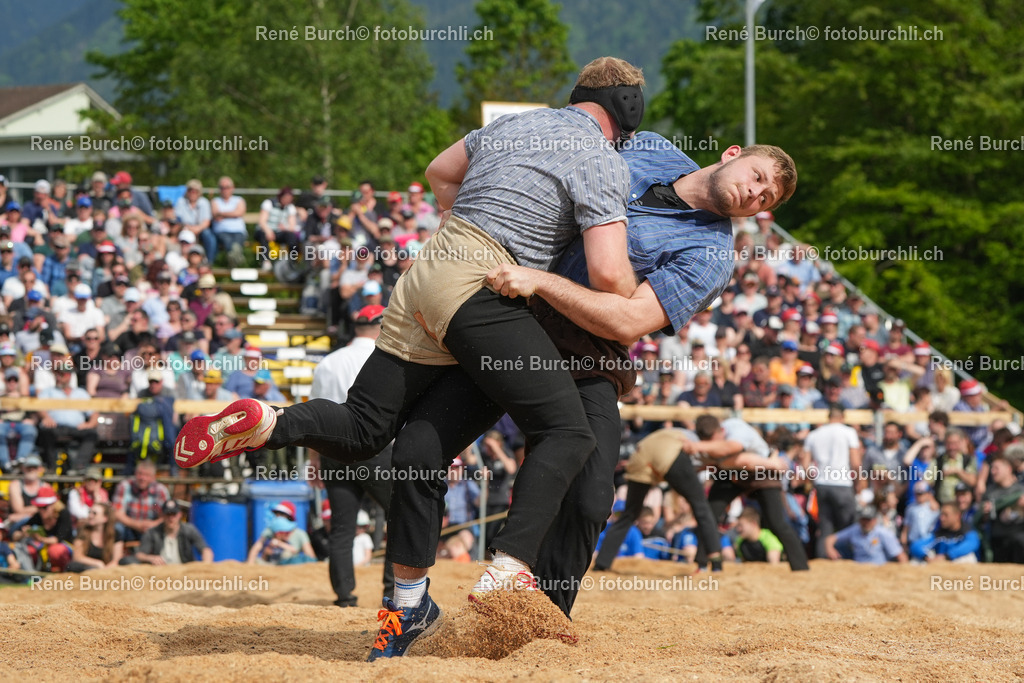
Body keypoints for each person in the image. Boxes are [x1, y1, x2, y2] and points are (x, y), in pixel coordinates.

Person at [181, 57, 647, 623]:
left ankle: (272, 421)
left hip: (426, 273)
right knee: (568, 431)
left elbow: (439, 171)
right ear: (628, 110)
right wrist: (640, 295)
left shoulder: (513, 124)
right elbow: (607, 275)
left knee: (364, 428)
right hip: (482, 282)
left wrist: (462, 224)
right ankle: (510, 565)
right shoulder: (599, 158)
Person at [309, 304, 395, 607]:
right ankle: (393, 592)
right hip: (375, 447)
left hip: (334, 447)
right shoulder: (386, 356)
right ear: (381, 326)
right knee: (399, 515)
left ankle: (345, 596)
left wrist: (314, 459)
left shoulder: (328, 362)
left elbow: (316, 414)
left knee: (342, 527)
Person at [592, 427, 723, 572]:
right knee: (701, 506)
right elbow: (705, 460)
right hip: (669, 456)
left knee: (629, 514)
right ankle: (715, 562)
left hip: (640, 457)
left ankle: (602, 563)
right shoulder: (694, 440)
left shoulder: (674, 431)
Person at [801, 404, 862, 557]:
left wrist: (813, 478)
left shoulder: (814, 434)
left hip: (822, 484)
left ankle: (823, 559)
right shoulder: (849, 432)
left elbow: (804, 464)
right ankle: (847, 557)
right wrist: (859, 481)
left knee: (825, 526)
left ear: (829, 417)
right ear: (842, 417)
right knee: (847, 526)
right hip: (842, 483)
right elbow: (855, 463)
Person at [135, 500, 213, 565]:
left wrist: (206, 564)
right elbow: (139, 555)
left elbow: (206, 550)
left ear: (180, 515)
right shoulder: (153, 532)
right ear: (162, 515)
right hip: (161, 573)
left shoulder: (189, 530)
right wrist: (151, 558)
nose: (171, 518)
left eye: (174, 514)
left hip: (185, 573)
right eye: (168, 514)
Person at [824, 505, 907, 565]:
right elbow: (830, 539)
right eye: (863, 519)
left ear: (874, 520)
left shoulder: (883, 533)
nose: (865, 523)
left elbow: (900, 555)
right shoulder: (855, 529)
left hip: (878, 569)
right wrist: (830, 549)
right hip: (858, 568)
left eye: (868, 520)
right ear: (860, 520)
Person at [111, 459, 169, 543]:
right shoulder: (124, 486)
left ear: (153, 477)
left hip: (152, 528)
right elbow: (117, 513)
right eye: (140, 474)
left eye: (147, 475)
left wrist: (153, 525)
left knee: (167, 527)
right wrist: (137, 525)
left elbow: (166, 516)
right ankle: (118, 555)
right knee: (117, 528)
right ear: (135, 474)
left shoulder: (160, 490)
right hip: (129, 526)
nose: (143, 478)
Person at [909, 502, 980, 563]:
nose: (942, 518)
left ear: (957, 516)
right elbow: (915, 546)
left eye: (946, 515)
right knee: (916, 560)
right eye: (941, 515)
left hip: (958, 568)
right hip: (938, 569)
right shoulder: (939, 533)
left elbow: (972, 543)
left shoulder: (967, 530)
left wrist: (947, 556)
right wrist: (926, 558)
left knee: (969, 557)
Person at [248, 501, 316, 565]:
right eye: (277, 514)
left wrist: (280, 544)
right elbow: (257, 547)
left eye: (282, 514)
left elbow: (310, 557)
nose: (278, 517)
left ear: (290, 517)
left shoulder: (300, 534)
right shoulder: (270, 531)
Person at [67, 502, 124, 571]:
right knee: (73, 566)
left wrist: (105, 570)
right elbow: (77, 557)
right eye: (89, 512)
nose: (90, 516)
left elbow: (117, 560)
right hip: (87, 569)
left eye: (94, 513)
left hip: (108, 570)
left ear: (105, 518)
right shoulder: (83, 531)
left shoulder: (115, 534)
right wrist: (98, 563)